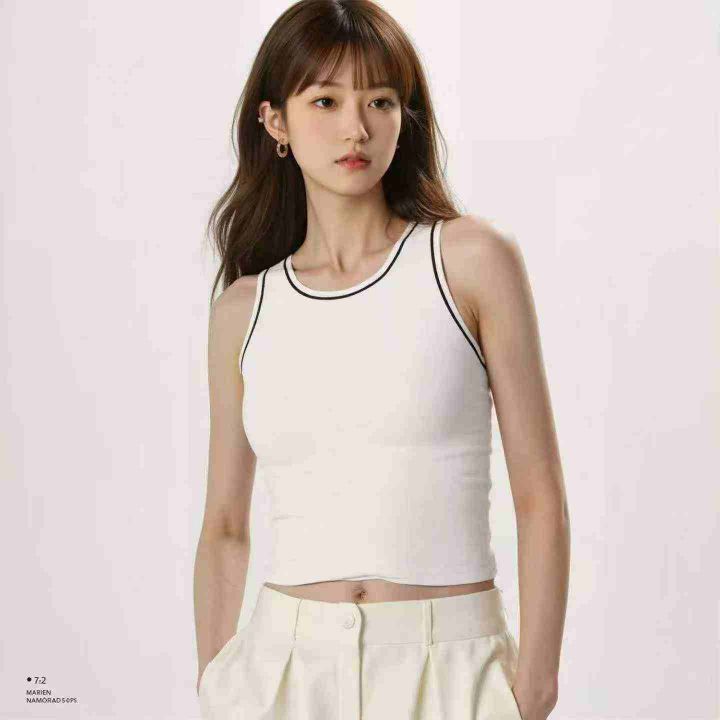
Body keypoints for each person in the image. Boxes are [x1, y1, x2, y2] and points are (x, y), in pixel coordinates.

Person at [194, 1, 569, 718]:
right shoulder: (243, 310)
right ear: (275, 122)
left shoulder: (470, 262)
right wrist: (217, 682)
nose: (356, 129)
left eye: (380, 101)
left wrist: (535, 686)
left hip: (453, 671)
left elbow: (540, 496)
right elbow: (224, 524)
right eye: (325, 101)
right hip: (282, 676)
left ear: (405, 117)